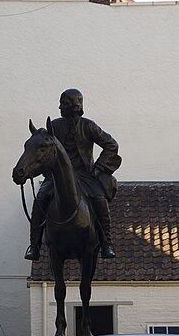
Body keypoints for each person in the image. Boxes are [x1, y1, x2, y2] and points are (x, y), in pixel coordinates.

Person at [25, 88, 121, 261]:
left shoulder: (88, 126)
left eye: (64, 103)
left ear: (75, 105)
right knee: (41, 199)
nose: (60, 107)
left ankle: (107, 242)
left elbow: (111, 145)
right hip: (57, 177)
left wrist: (98, 168)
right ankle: (34, 245)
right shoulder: (54, 126)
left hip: (84, 175)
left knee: (100, 200)